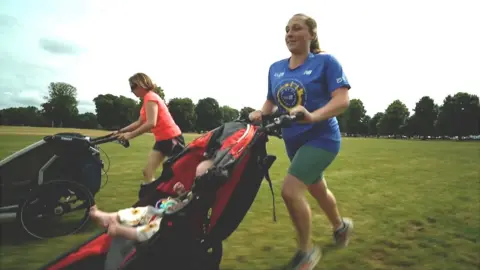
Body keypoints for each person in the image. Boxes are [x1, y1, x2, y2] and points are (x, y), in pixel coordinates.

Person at [249, 13, 353, 270]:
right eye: (287, 30)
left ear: (312, 34)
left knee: (290, 190)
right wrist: (260, 113)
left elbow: (342, 100)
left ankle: (306, 251)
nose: (290, 34)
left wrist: (313, 116)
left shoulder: (326, 62)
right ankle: (341, 227)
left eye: (296, 29)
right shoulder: (275, 68)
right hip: (293, 142)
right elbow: (271, 102)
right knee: (318, 189)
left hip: (322, 138)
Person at [89, 159, 215, 242]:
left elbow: (190, 211)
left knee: (150, 230)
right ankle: (110, 217)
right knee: (144, 211)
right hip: (167, 213)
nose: (195, 181)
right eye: (195, 178)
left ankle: (119, 230)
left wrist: (175, 207)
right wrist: (181, 193)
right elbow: (187, 199)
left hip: (174, 223)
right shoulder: (197, 192)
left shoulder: (204, 199)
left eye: (199, 178)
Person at [115, 73, 184, 186]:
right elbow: (139, 122)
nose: (132, 91)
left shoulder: (150, 97)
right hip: (162, 140)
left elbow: (151, 123)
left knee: (177, 174)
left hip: (172, 138)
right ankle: (155, 198)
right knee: (147, 172)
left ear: (141, 84)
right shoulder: (147, 99)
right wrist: (120, 132)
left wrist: (130, 135)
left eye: (133, 87)